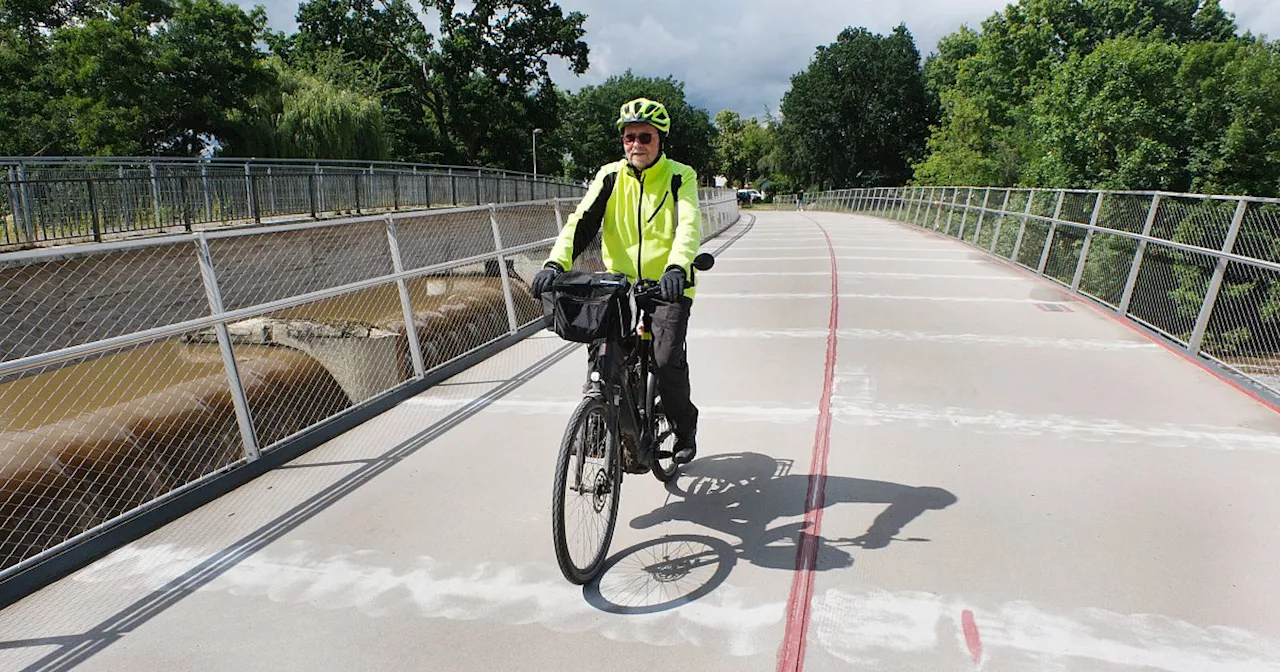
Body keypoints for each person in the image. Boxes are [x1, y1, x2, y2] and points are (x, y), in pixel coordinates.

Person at [530, 97, 702, 465]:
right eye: (629, 138)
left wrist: (676, 267)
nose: (636, 145)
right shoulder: (610, 176)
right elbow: (582, 221)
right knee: (602, 351)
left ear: (660, 140)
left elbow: (688, 225)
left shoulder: (679, 176)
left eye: (645, 137)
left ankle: (684, 427)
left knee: (666, 356)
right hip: (619, 283)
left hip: (667, 283)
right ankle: (596, 421)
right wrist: (555, 263)